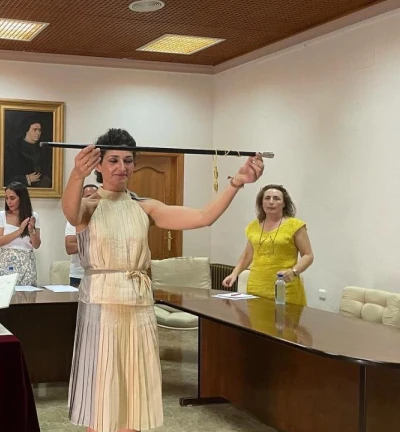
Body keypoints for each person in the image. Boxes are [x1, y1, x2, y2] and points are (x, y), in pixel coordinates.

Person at [62, 128, 264, 432]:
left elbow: (203, 217)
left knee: (134, 385)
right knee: (104, 384)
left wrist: (236, 182)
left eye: (128, 160)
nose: (121, 167)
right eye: (113, 160)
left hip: (138, 303)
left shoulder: (144, 207)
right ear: (99, 165)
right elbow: (71, 212)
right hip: (102, 304)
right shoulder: (90, 205)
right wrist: (76, 175)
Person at [222, 184, 313, 306]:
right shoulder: (253, 226)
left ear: (284, 203)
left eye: (276, 198)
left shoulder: (295, 225)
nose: (271, 202)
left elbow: (308, 255)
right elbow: (247, 255)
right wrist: (234, 274)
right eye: (267, 198)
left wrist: (293, 271)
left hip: (285, 289)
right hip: (256, 289)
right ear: (261, 203)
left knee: (285, 319)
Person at [0, 181, 41, 286]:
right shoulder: (1, 215)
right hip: (7, 261)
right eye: (6, 198)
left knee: (28, 294)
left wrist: (31, 230)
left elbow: (36, 245)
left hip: (27, 262)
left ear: (22, 198)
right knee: (7, 292)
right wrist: (20, 230)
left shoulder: (33, 216)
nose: (8, 202)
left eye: (12, 198)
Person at [3, 118, 53, 188]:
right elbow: (6, 176)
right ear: (26, 130)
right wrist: (26, 179)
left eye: (39, 130)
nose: (38, 133)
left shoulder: (45, 148)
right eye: (35, 129)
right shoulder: (12, 149)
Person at [65, 184, 98, 287]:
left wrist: (82, 242)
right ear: (81, 199)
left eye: (96, 196)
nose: (93, 200)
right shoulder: (74, 220)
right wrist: (97, 243)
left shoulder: (107, 219)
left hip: (101, 275)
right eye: (88, 196)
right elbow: (70, 247)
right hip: (79, 275)